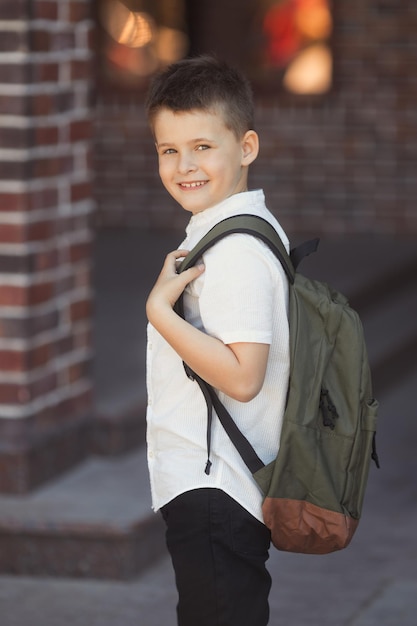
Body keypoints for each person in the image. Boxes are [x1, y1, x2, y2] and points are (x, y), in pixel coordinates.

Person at [145, 55, 290, 626]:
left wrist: (160, 311)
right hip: (218, 485)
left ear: (246, 146)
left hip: (218, 488)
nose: (185, 165)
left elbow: (243, 377)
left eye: (203, 146)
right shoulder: (229, 229)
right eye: (168, 150)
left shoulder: (237, 252)